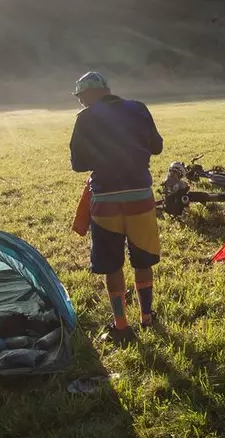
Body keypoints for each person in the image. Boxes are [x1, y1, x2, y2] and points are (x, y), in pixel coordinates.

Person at [69, 71, 164, 335]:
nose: (81, 104)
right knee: (142, 259)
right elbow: (156, 147)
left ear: (88, 95)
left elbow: (78, 164)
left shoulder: (85, 119)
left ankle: (121, 324)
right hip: (140, 198)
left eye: (81, 99)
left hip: (106, 201)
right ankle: (147, 317)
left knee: (112, 264)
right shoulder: (139, 108)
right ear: (107, 90)